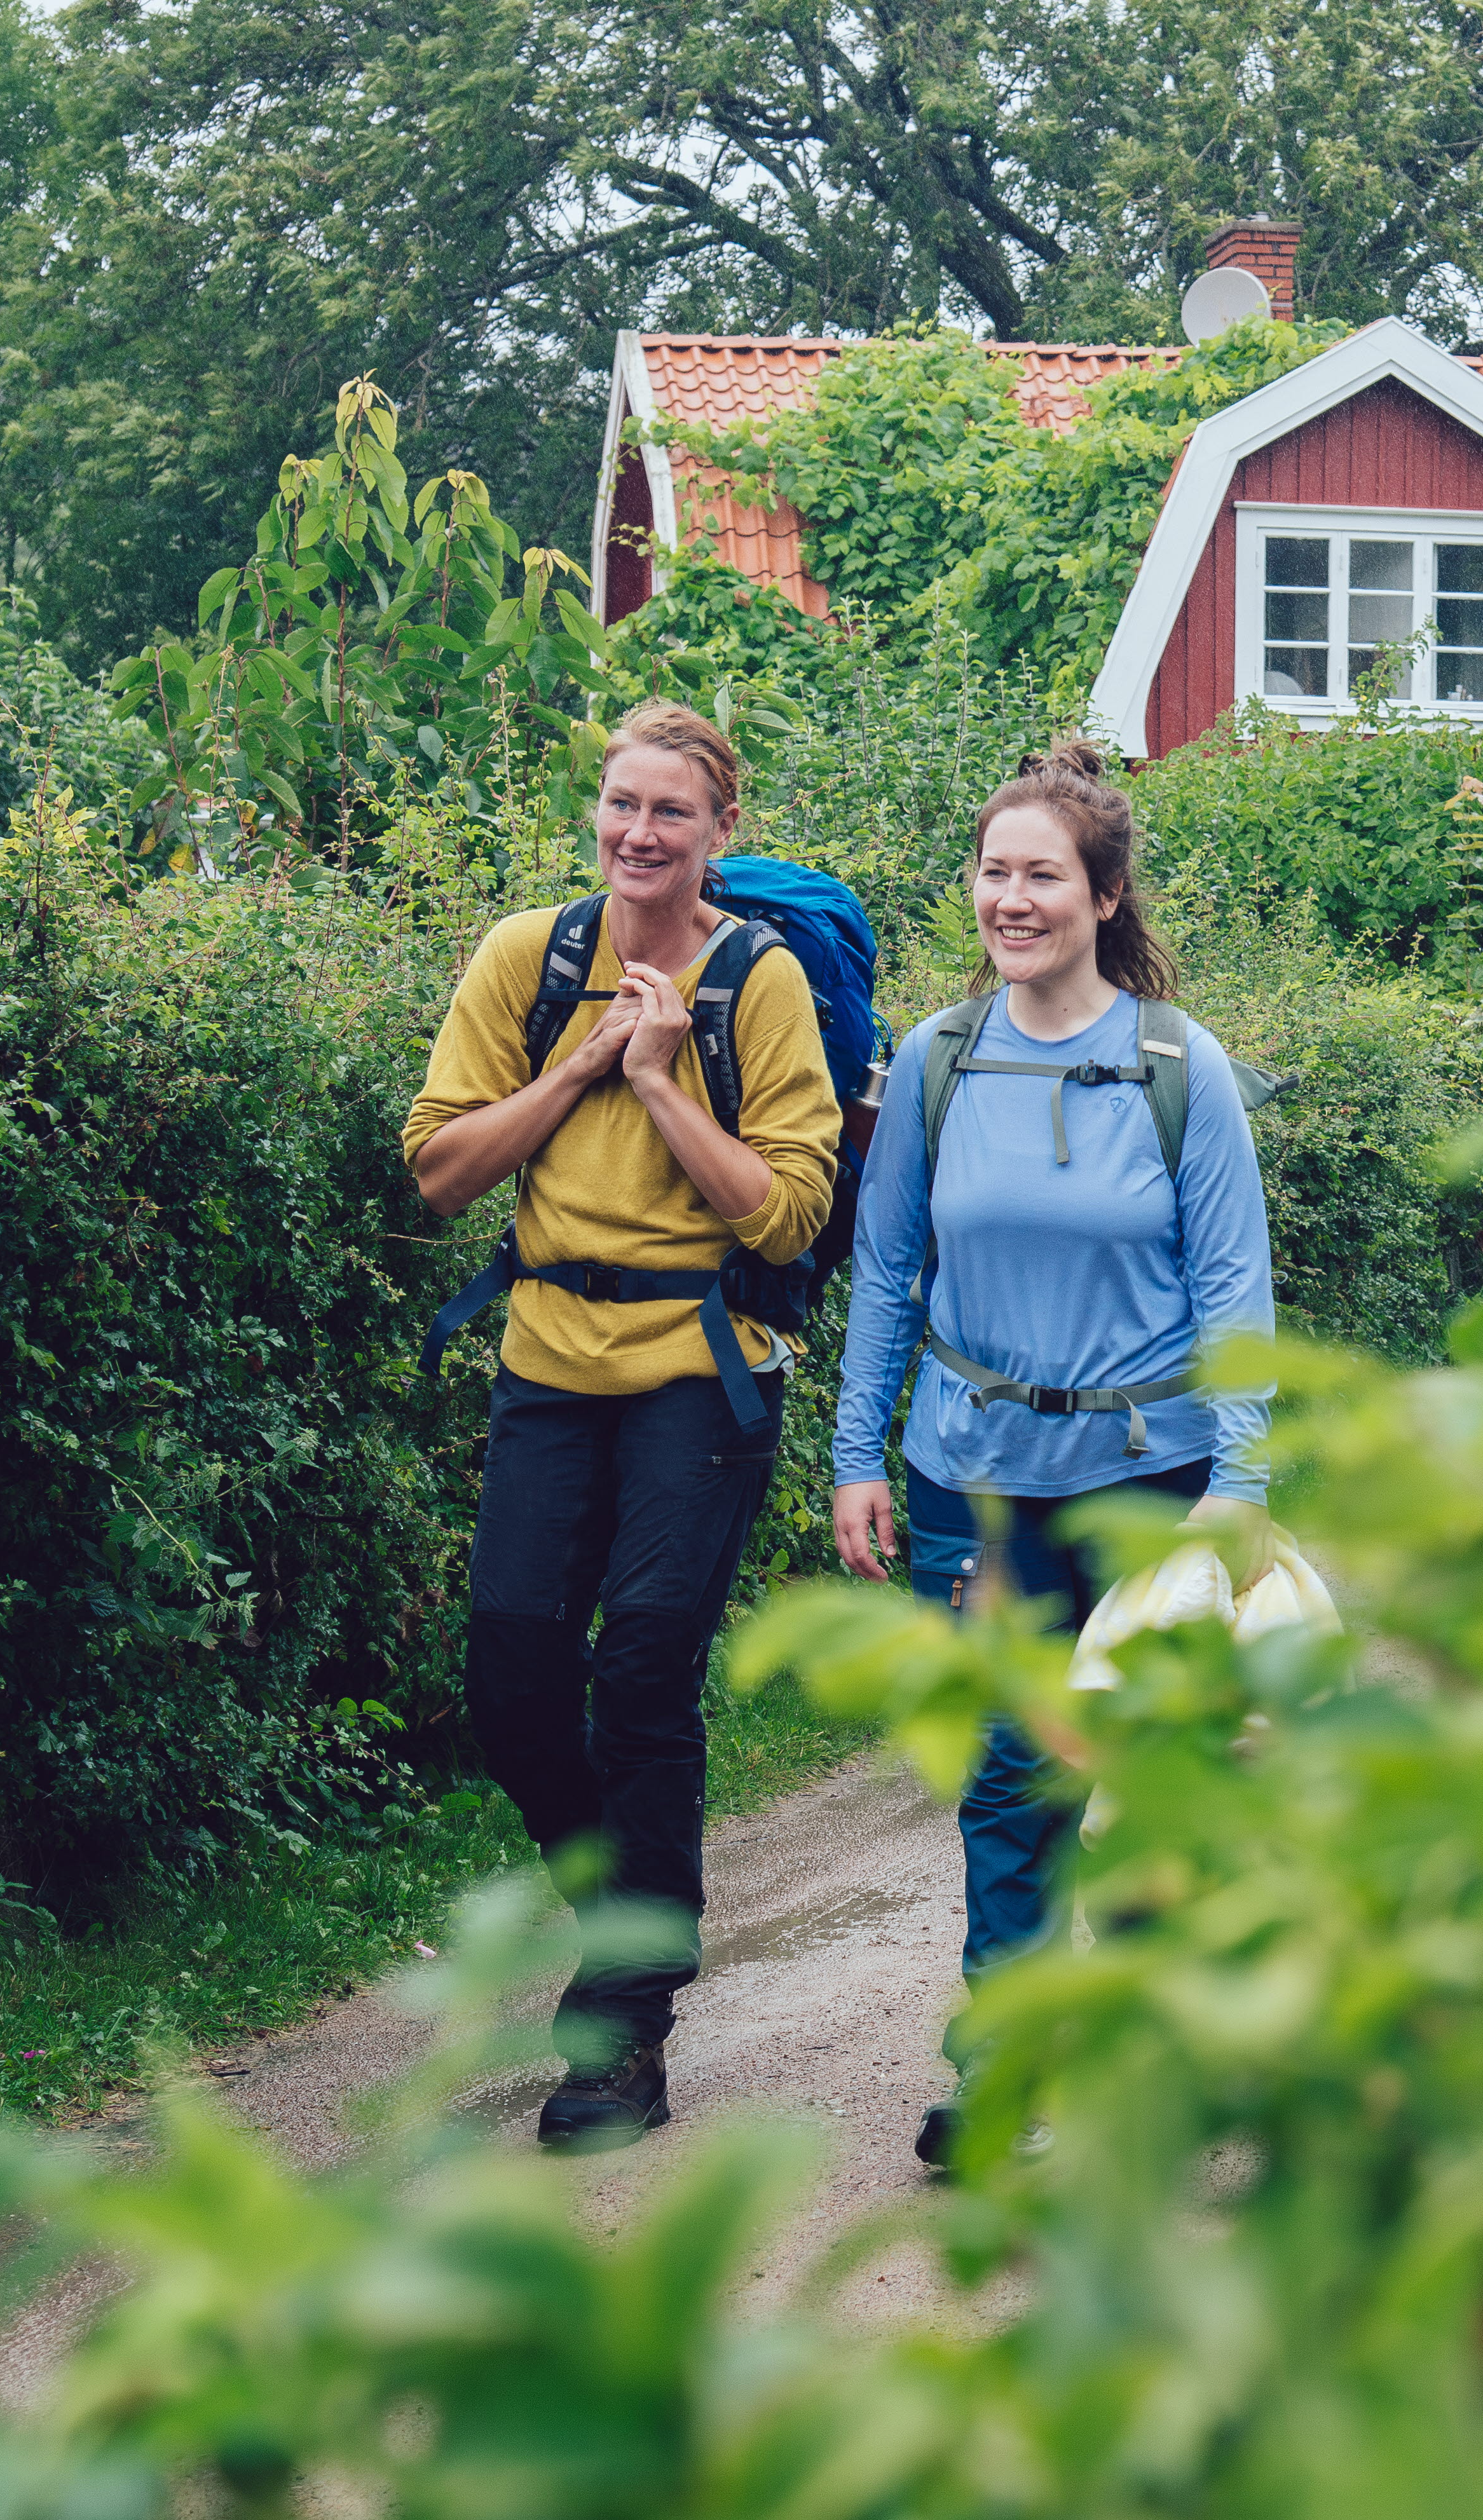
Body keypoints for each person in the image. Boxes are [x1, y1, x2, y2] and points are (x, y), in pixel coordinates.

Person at [830, 740, 1276, 2168]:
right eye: (994, 872)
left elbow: (1234, 1293)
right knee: (1014, 1781)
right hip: (978, 1484)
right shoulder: (933, 1062)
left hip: (1153, 1488)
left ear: (1102, 896)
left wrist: (1240, 1488)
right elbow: (887, 1272)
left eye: (1041, 877)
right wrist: (858, 1458)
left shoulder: (1175, 1066)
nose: (1010, 900)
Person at [404, 698, 842, 2151]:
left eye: (671, 812)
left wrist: (658, 1078)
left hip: (696, 1371)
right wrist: (582, 1066)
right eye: (620, 805)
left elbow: (788, 1207)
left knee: (644, 1672)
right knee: (514, 1667)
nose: (638, 834)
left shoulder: (757, 981)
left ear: (721, 831)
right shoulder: (525, 961)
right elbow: (441, 1171)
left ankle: (623, 2033)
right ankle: (629, 1922)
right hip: (546, 1355)